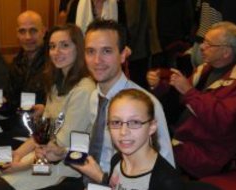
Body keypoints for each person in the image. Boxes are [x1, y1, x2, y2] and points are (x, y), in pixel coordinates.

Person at [0, 23, 96, 190]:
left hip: (67, 165)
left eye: (65, 45)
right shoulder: (56, 84)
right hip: (46, 153)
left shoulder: (83, 89)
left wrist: (22, 165)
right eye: (53, 46)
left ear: (79, 49)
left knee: (2, 184)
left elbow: (60, 145)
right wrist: (18, 154)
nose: (56, 52)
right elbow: (43, 132)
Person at [72, 19, 174, 185]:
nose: (97, 60)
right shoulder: (94, 97)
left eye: (106, 51)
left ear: (123, 54)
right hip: (90, 181)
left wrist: (102, 180)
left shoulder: (146, 104)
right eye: (90, 51)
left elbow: (164, 171)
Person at [147, 21, 236, 178]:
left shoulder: (235, 83)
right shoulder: (206, 69)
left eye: (209, 44)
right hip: (182, 136)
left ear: (226, 52)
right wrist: (159, 85)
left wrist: (189, 92)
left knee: (143, 155)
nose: (202, 47)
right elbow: (178, 99)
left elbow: (223, 122)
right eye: (204, 41)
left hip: (204, 152)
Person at [0, 10, 47, 190]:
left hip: (35, 133)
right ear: (16, 33)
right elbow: (12, 104)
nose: (27, 37)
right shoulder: (18, 62)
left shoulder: (52, 63)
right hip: (17, 122)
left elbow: (56, 108)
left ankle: (4, 179)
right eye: (22, 31)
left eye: (33, 30)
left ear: (44, 31)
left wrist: (44, 109)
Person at [79, 89, 186, 189]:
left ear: (152, 127)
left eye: (135, 122)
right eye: (116, 122)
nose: (123, 132)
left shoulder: (166, 180)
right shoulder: (117, 160)